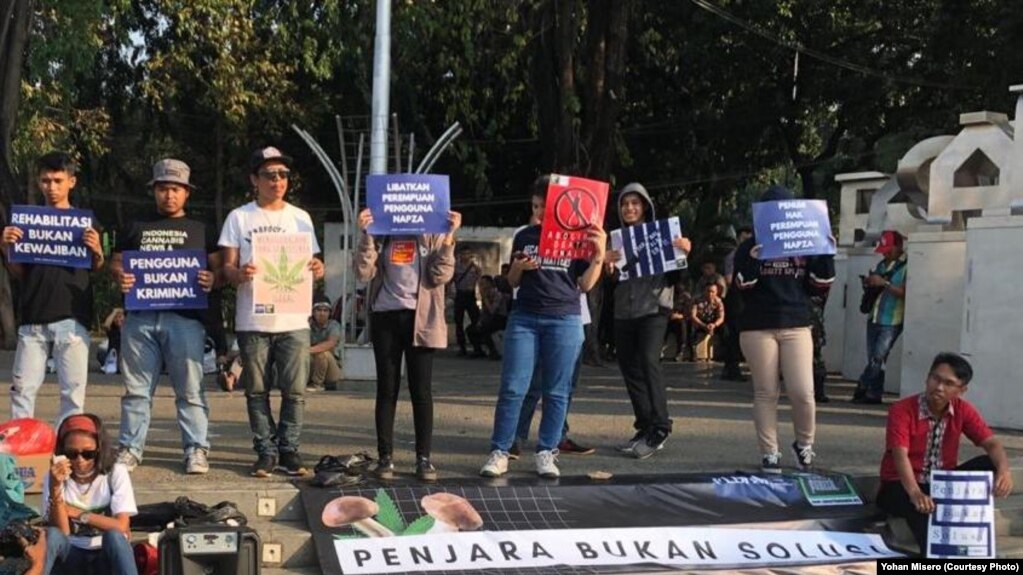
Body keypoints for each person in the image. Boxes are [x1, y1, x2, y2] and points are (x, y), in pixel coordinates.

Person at [480, 177, 605, 478]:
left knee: (557, 391)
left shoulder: (578, 238)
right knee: (513, 387)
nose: (538, 212)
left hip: (565, 319)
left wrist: (599, 254)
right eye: (535, 206)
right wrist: (518, 268)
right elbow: (512, 283)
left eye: (544, 206)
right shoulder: (524, 236)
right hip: (525, 318)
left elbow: (585, 284)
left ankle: (547, 451)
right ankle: (500, 451)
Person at [219, 146, 325, 477]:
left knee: (295, 391)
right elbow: (226, 268)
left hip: (293, 318)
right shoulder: (239, 217)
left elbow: (313, 263)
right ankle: (265, 451)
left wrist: (318, 268)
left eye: (283, 175)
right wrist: (239, 273)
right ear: (255, 180)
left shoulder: (300, 218)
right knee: (256, 390)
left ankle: (289, 450)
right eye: (269, 175)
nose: (277, 181)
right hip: (254, 318)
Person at [111, 159, 218, 475]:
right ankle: (130, 448)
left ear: (187, 192)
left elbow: (220, 269)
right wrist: (119, 275)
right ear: (154, 191)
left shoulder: (202, 229)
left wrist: (214, 279)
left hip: (185, 319)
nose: (169, 195)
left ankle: (196, 448)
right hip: (140, 318)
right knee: (136, 391)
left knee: (190, 389)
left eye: (175, 189)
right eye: (163, 189)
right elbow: (116, 261)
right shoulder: (135, 226)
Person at [733, 185, 835, 473]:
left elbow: (820, 286)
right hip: (758, 326)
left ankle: (804, 444)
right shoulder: (748, 246)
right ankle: (769, 453)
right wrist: (753, 260)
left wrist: (825, 252)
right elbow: (742, 286)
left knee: (803, 391)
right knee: (766, 391)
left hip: (796, 323)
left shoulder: (805, 241)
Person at [355, 206, 460, 482]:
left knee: (421, 390)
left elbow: (440, 275)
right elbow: (363, 272)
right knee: (387, 388)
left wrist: (449, 237)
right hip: (385, 317)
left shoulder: (433, 232)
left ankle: (423, 459)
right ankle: (385, 457)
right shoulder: (382, 233)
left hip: (421, 318)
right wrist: (366, 234)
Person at [1, 152, 105, 424]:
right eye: (46, 180)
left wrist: (97, 250)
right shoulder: (26, 223)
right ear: (38, 182)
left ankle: (69, 446)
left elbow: (97, 268)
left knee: (73, 395)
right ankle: (22, 447)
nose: (52, 187)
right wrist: (6, 248)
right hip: (33, 317)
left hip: (73, 319)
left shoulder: (86, 223)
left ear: (72, 181)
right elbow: (19, 273)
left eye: (58, 180)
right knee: (22, 391)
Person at [876, 352, 1013, 554]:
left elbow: (992, 443)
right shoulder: (902, 410)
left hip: (942, 483)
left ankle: (970, 517)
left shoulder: (963, 410)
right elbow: (899, 454)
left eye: (949, 383)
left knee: (991, 462)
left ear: (961, 390)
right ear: (927, 378)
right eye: (935, 379)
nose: (939, 387)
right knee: (925, 520)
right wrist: (915, 493)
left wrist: (1005, 471)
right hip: (900, 485)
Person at [604, 183, 691, 458]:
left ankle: (661, 426)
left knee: (649, 361)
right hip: (623, 311)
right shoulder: (615, 240)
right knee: (629, 368)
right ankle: (644, 426)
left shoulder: (662, 235)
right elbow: (612, 280)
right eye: (624, 203)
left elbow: (676, 275)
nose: (629, 208)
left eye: (635, 203)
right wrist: (606, 264)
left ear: (645, 206)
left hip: (654, 309)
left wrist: (684, 252)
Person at [42, 413, 138, 575]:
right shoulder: (53, 478)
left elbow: (121, 526)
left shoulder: (116, 472)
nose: (80, 460)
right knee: (52, 535)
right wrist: (56, 487)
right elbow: (63, 532)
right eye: (72, 454)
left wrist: (78, 514)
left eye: (88, 454)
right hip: (71, 555)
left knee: (114, 537)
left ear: (99, 449)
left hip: (104, 554)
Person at [852, 230, 908, 404]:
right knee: (874, 359)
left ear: (899, 247)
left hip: (892, 319)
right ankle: (874, 394)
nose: (885, 254)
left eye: (888, 250)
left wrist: (885, 283)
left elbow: (906, 293)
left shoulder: (907, 266)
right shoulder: (882, 265)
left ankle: (863, 384)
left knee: (878, 357)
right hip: (874, 317)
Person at [720, 225, 753, 381]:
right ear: (739, 238)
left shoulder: (752, 255)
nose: (748, 240)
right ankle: (731, 368)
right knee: (734, 333)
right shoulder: (733, 255)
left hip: (747, 298)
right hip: (736, 297)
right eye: (745, 237)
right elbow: (728, 278)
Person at [467, 275, 508, 359]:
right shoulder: (484, 295)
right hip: (489, 318)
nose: (482, 286)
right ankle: (478, 350)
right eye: (480, 284)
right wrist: (480, 321)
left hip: (500, 318)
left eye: (483, 283)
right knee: (471, 329)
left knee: (486, 329)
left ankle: (494, 351)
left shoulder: (497, 294)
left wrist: (485, 299)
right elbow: (484, 312)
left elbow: (492, 310)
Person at [450, 247, 481, 356]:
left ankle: (477, 347)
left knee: (476, 320)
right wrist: (450, 293)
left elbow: (480, 279)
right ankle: (462, 347)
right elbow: (451, 280)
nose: (465, 256)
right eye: (463, 254)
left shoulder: (475, 267)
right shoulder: (456, 267)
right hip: (460, 294)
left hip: (470, 295)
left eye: (468, 254)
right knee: (459, 322)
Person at [308, 293, 342, 392]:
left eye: (325, 310)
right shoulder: (308, 325)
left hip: (331, 371)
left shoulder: (334, 325)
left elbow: (331, 343)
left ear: (329, 313)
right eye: (318, 310)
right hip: (313, 365)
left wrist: (308, 350)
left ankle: (317, 384)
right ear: (313, 312)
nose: (322, 313)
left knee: (322, 354)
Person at [689, 282, 724, 362]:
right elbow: (693, 316)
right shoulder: (696, 300)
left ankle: (722, 353)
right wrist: (704, 325)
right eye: (708, 291)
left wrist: (714, 325)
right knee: (691, 329)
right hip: (700, 322)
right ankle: (693, 353)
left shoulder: (718, 301)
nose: (710, 294)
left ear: (716, 292)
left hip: (713, 322)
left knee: (725, 330)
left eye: (712, 292)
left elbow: (721, 317)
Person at [662, 282, 691, 362]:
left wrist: (680, 315)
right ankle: (660, 350)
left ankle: (680, 352)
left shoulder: (686, 297)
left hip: (680, 319)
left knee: (682, 325)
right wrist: (670, 315)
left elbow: (688, 312)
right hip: (667, 318)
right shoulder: (667, 295)